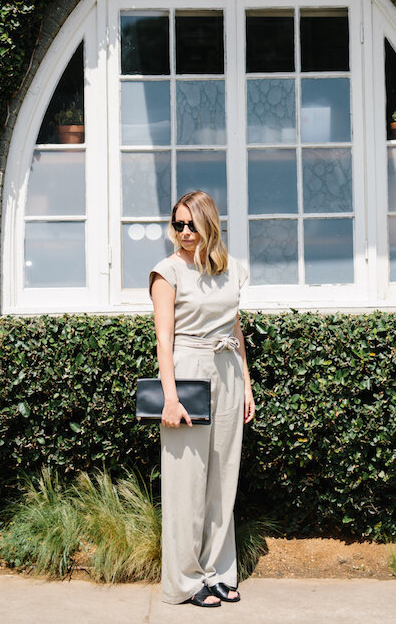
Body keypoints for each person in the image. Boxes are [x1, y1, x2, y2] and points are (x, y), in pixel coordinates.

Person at [149, 190, 255, 608]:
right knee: (186, 482)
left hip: (228, 369)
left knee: (223, 479)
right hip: (188, 371)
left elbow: (235, 327)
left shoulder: (231, 270)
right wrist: (170, 398)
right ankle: (185, 580)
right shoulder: (167, 272)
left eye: (192, 224)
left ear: (209, 224)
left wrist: (246, 385)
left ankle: (218, 572)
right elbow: (164, 339)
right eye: (178, 224)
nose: (185, 232)